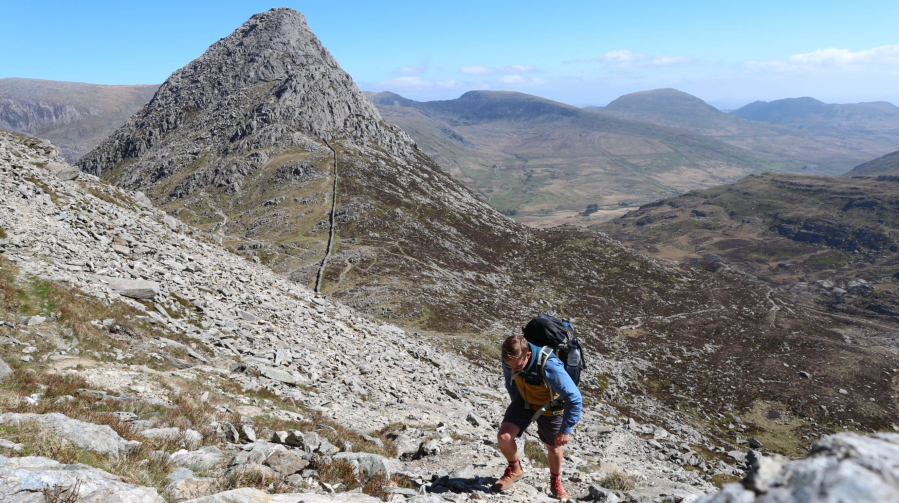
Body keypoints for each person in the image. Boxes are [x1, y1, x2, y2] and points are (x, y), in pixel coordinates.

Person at [493, 334, 582, 500]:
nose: (513, 370)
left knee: (553, 447)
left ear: (527, 355)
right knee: (504, 436)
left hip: (550, 407)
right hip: (524, 401)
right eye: (509, 366)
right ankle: (515, 469)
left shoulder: (550, 365)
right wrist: (517, 407)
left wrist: (565, 429)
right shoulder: (511, 361)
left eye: (517, 367)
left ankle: (556, 482)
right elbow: (510, 383)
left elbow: (574, 398)